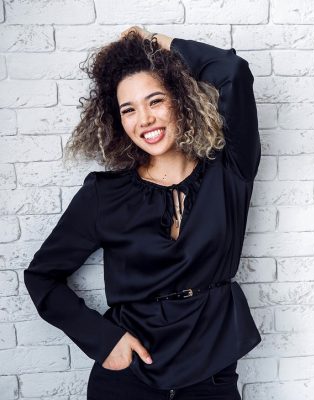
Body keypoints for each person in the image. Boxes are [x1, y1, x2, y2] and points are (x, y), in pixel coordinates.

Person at [23, 26, 262, 400]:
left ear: (181, 99)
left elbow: (232, 72)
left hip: (211, 375)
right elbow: (42, 278)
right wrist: (104, 340)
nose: (145, 119)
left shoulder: (230, 170)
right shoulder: (103, 196)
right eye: (129, 109)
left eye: (156, 101)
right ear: (119, 121)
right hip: (128, 378)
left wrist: (153, 41)